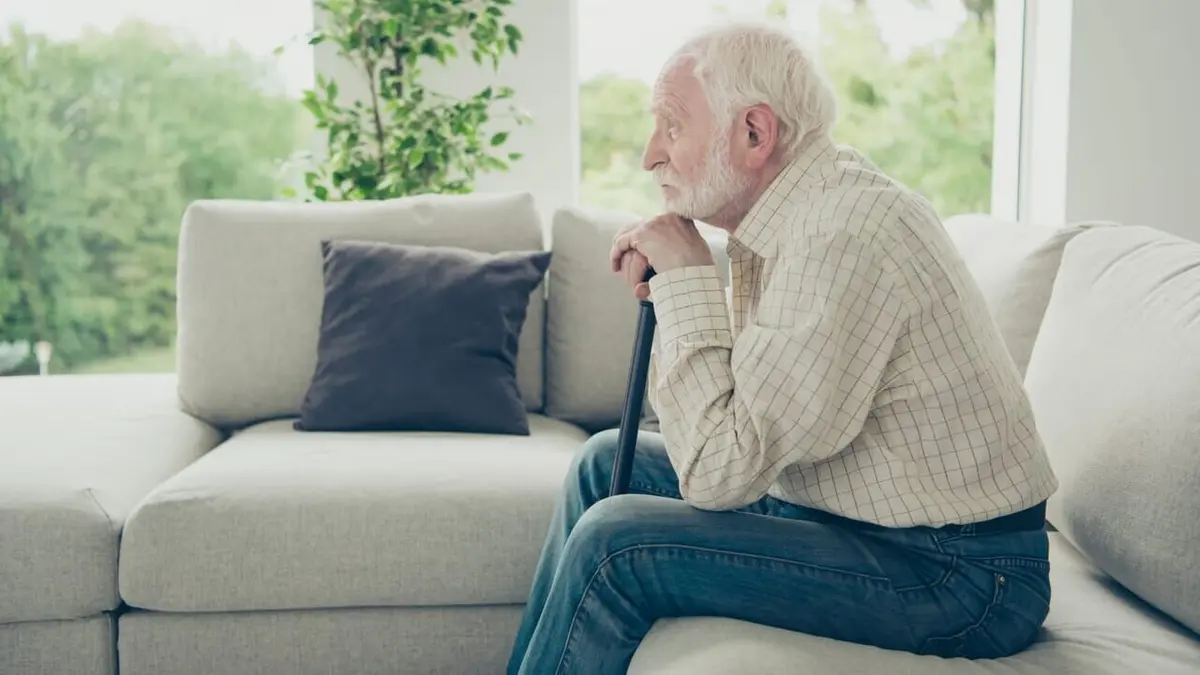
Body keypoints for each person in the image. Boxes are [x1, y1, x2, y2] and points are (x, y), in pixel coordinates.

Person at [506, 20, 1058, 675]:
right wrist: (687, 282)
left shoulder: (840, 236)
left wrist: (686, 281)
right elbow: (746, 429)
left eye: (672, 126)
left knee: (614, 544)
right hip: (856, 518)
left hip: (961, 574)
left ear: (754, 134)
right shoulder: (794, 215)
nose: (650, 154)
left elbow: (720, 471)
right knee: (602, 464)